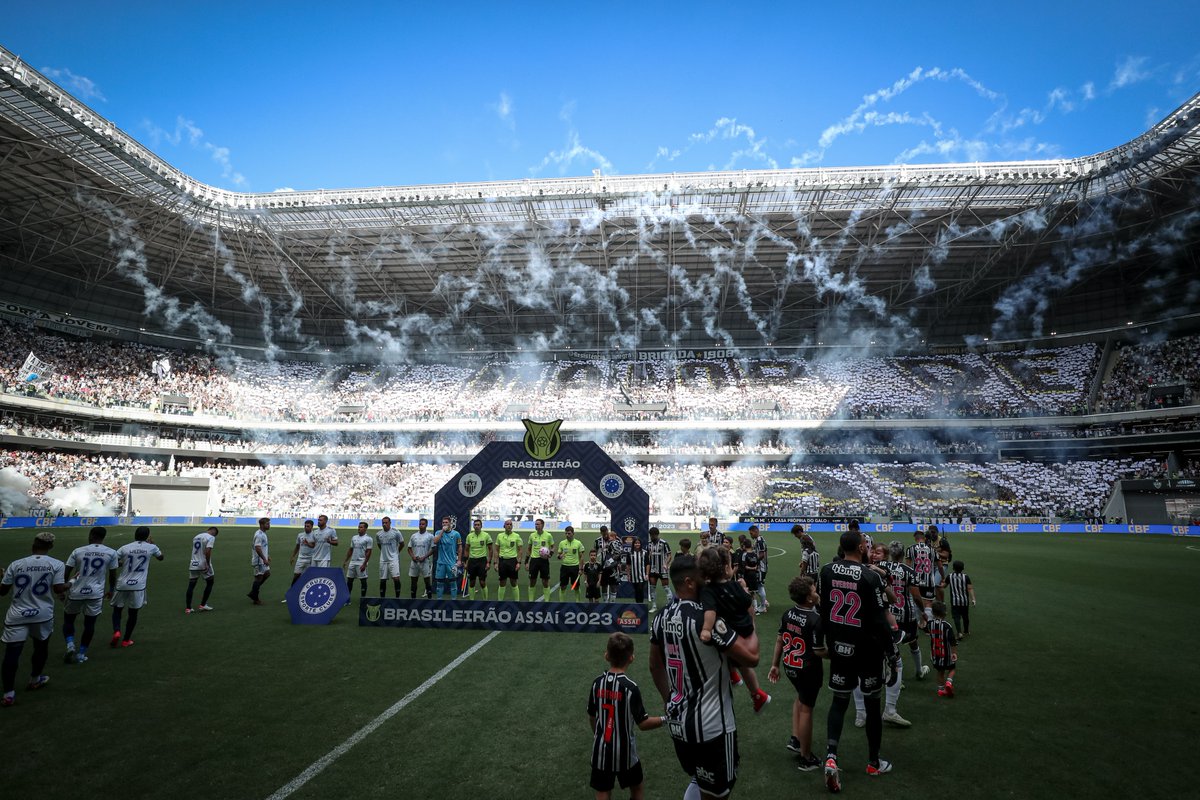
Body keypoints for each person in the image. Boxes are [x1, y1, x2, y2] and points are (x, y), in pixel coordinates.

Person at [648, 554, 761, 800]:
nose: (708, 581)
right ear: (689, 582)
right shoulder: (704, 620)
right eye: (703, 577)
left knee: (699, 780)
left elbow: (654, 667)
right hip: (713, 728)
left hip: (679, 724)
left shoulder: (660, 618)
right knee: (716, 793)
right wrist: (748, 616)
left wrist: (669, 699)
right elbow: (751, 657)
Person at [819, 529, 898, 792]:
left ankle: (831, 755)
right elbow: (879, 618)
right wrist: (892, 651)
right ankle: (873, 762)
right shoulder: (870, 575)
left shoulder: (827, 570)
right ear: (861, 548)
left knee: (839, 701)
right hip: (868, 649)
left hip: (840, 647)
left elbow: (824, 610)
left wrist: (823, 641)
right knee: (873, 702)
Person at [587, 632, 664, 800]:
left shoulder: (597, 683)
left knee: (602, 790)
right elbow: (643, 723)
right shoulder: (631, 688)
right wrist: (666, 719)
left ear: (606, 655)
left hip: (601, 749)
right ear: (632, 658)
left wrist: (597, 734)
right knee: (636, 789)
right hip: (625, 752)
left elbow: (592, 716)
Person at [697, 546, 771, 713]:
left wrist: (706, 629)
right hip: (745, 627)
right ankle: (756, 692)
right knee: (742, 662)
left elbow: (710, 612)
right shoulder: (736, 585)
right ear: (725, 568)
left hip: (733, 632)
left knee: (722, 646)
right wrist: (744, 589)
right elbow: (747, 602)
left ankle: (736, 677)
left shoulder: (708, 591)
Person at [767, 575, 826, 772]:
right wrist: (836, 654)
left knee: (800, 699)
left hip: (790, 666)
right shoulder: (815, 619)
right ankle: (806, 757)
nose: (817, 593)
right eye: (814, 590)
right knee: (807, 708)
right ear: (809, 598)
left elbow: (779, 640)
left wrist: (774, 664)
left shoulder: (788, 614)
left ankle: (796, 738)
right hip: (808, 669)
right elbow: (819, 651)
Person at [1, 532, 67, 706]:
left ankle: (8, 694)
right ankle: (35, 679)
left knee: (12, 653)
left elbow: (2, 591)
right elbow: (59, 588)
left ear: (33, 545)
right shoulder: (56, 564)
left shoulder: (16, 564)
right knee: (41, 646)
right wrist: (72, 583)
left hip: (17, 614)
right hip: (42, 614)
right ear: (50, 547)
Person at [62, 525, 118, 664]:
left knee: (69, 620)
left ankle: (70, 644)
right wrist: (111, 590)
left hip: (76, 591)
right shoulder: (111, 552)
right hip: (95, 593)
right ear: (103, 537)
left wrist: (63, 588)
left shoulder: (78, 551)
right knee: (90, 624)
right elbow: (112, 574)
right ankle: (81, 653)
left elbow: (66, 571)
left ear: (91, 535)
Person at [110, 525, 163, 648]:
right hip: (138, 585)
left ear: (135, 535)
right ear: (147, 536)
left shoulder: (125, 548)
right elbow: (161, 558)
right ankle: (126, 640)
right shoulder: (151, 547)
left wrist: (122, 563)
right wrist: (152, 544)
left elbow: (114, 562)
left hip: (122, 583)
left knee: (117, 609)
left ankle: (117, 631)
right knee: (133, 613)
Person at [185, 526, 219, 614]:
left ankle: (188, 608)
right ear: (214, 533)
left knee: (191, 585)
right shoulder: (211, 538)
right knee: (210, 582)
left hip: (193, 563)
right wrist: (207, 564)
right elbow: (208, 551)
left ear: (208, 530)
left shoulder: (196, 536)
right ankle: (203, 605)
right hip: (203, 563)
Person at [928, 600, 958, 697]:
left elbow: (925, 628)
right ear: (945, 612)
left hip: (936, 654)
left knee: (940, 672)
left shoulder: (930, 624)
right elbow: (952, 641)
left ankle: (941, 689)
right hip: (946, 653)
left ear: (932, 612)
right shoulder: (947, 626)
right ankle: (948, 683)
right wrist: (954, 653)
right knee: (952, 669)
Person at [905, 529, 936, 621]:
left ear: (915, 538)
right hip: (929, 581)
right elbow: (940, 566)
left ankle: (918, 623)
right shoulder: (932, 550)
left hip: (916, 580)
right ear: (924, 538)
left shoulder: (910, 549)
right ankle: (928, 624)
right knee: (928, 603)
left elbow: (908, 566)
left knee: (916, 600)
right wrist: (942, 577)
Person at [432, 516, 463, 600]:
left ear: (450, 523)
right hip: (441, 562)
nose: (444, 524)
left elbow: (460, 547)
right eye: (443, 523)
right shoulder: (438, 532)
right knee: (439, 583)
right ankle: (439, 600)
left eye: (446, 522)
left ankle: (454, 601)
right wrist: (442, 531)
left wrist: (459, 560)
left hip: (451, 562)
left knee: (453, 582)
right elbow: (435, 541)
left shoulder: (456, 534)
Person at [945, 561, 976, 641]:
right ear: (963, 568)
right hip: (964, 601)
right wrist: (973, 599)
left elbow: (944, 586)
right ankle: (966, 631)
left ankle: (959, 633)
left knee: (956, 617)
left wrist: (938, 584)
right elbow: (970, 588)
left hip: (955, 602)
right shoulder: (966, 577)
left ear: (953, 568)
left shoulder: (950, 576)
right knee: (965, 616)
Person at [376, 516, 405, 598]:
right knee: (383, 580)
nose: (384, 524)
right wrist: (384, 552)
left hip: (393, 560)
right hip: (383, 560)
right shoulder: (378, 534)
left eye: (386, 522)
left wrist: (396, 552)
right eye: (383, 523)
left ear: (390, 523)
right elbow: (379, 545)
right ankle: (382, 598)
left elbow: (402, 543)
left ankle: (397, 597)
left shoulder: (396, 532)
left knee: (396, 578)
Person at [494, 519, 523, 601]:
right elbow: (496, 550)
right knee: (502, 582)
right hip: (502, 561)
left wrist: (519, 562)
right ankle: (500, 601)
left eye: (510, 524)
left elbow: (520, 550)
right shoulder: (499, 536)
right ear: (504, 526)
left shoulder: (516, 536)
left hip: (512, 561)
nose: (509, 525)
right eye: (507, 524)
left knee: (513, 582)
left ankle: (517, 602)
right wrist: (495, 563)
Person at [342, 521, 373, 599]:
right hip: (352, 562)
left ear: (365, 529)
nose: (359, 528)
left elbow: (369, 552)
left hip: (361, 562)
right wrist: (346, 561)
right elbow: (351, 550)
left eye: (361, 527)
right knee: (349, 580)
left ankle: (363, 599)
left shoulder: (368, 539)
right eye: (359, 527)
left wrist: (364, 563)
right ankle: (347, 598)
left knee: (363, 580)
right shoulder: (354, 537)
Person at [465, 518, 494, 600]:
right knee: (472, 582)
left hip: (482, 561)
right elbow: (466, 549)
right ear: (473, 526)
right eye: (475, 525)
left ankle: (485, 601)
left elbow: (490, 549)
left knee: (482, 582)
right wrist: (466, 562)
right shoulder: (469, 536)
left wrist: (488, 562)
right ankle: (471, 601)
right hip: (472, 561)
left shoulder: (486, 535)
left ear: (481, 526)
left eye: (478, 525)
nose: (476, 526)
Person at [527, 518, 554, 603]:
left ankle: (547, 601)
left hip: (544, 561)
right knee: (532, 580)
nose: (536, 526)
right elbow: (528, 549)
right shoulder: (532, 535)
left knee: (545, 581)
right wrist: (526, 562)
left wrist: (550, 554)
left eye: (538, 524)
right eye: (536, 524)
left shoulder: (548, 535)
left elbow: (553, 547)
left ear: (542, 525)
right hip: (534, 560)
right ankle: (530, 601)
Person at [645, 527, 672, 612]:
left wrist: (666, 563)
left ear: (657, 535)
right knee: (652, 588)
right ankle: (654, 606)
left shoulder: (664, 543)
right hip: (652, 569)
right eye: (650, 535)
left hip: (662, 569)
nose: (651, 537)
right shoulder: (648, 544)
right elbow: (647, 556)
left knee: (666, 587)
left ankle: (670, 605)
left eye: (653, 535)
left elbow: (669, 555)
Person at [407, 517, 434, 599]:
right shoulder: (414, 536)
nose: (421, 525)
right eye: (420, 524)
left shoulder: (430, 536)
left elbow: (433, 549)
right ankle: (413, 599)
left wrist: (424, 557)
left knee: (427, 581)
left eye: (423, 524)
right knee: (414, 581)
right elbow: (409, 548)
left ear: (426, 525)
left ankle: (430, 599)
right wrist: (413, 557)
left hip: (425, 562)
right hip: (414, 562)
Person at [739, 534, 767, 615]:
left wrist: (750, 568)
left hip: (747, 575)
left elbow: (744, 566)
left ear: (744, 546)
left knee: (747, 591)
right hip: (754, 575)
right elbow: (757, 564)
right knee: (753, 592)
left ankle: (747, 608)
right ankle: (755, 609)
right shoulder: (755, 554)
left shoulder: (745, 554)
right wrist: (754, 568)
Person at [247, 517, 271, 605]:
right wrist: (264, 559)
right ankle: (255, 598)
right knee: (258, 578)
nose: (269, 525)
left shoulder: (263, 533)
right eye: (267, 524)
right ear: (261, 525)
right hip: (258, 560)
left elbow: (262, 546)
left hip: (262, 559)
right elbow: (257, 547)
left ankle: (253, 592)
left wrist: (267, 556)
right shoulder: (259, 535)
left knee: (267, 574)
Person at [557, 525, 584, 601]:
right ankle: (561, 603)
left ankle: (577, 602)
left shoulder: (578, 543)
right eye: (566, 533)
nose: (567, 535)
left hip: (574, 567)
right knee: (563, 586)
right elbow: (558, 556)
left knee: (576, 586)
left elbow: (581, 557)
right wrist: (560, 556)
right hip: (564, 567)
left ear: (573, 533)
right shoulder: (562, 543)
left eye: (569, 533)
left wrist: (581, 568)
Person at [289, 519, 316, 591]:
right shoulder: (300, 535)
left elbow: (314, 546)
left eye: (308, 526)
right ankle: (292, 591)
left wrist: (308, 544)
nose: (306, 527)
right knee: (296, 575)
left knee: (308, 577)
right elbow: (297, 546)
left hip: (310, 559)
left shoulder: (314, 535)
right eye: (305, 526)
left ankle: (305, 592)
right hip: (300, 558)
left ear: (312, 527)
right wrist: (293, 556)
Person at [625, 537, 648, 605]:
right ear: (633, 544)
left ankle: (641, 604)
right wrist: (628, 575)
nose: (637, 544)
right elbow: (628, 565)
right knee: (636, 591)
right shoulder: (630, 553)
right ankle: (638, 604)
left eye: (638, 543)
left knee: (640, 590)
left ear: (640, 544)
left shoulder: (644, 553)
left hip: (643, 575)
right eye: (635, 543)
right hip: (634, 576)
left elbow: (647, 564)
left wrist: (647, 574)